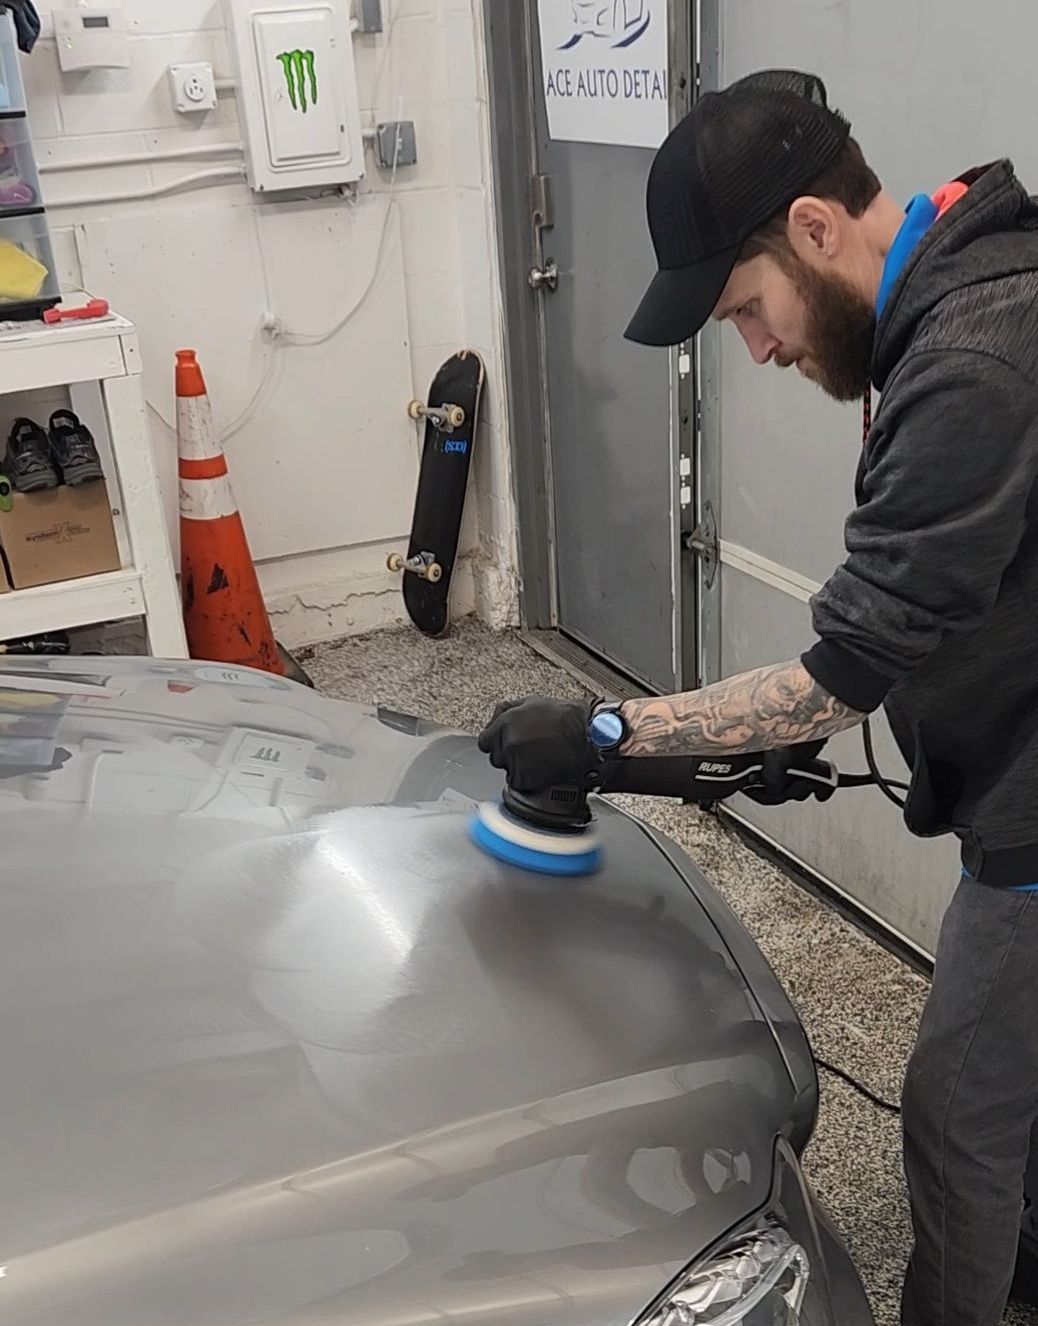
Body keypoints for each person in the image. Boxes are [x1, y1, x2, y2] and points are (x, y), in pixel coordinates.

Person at [477, 69, 1038, 1326]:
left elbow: (844, 669)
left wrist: (612, 735)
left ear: (816, 228)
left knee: (960, 1116)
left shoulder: (974, 366)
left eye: (747, 306)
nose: (761, 346)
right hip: (1013, 770)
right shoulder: (973, 288)